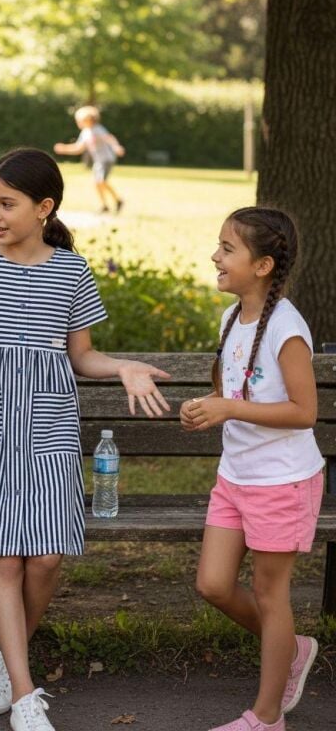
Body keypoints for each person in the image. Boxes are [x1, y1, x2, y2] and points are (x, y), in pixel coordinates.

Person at [0, 147, 170, 731]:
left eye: (6, 203)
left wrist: (123, 367)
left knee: (45, 556)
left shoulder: (71, 271)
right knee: (4, 555)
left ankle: (5, 659)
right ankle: (23, 693)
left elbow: (82, 355)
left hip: (47, 427)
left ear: (43, 207)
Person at [180, 207, 324, 731]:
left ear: (262, 265)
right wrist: (206, 407)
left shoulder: (286, 327)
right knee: (214, 585)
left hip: (282, 481)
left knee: (270, 594)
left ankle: (266, 718)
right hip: (235, 478)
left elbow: (304, 412)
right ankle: (291, 648)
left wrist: (229, 407)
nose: (214, 256)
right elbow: (233, 392)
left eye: (227, 249)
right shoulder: (231, 317)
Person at [53, 105, 125, 214]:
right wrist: (64, 149)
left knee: (100, 181)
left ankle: (117, 201)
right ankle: (108, 204)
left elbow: (109, 138)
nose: (78, 123)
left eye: (79, 120)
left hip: (106, 159)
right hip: (99, 160)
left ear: (88, 120)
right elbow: (78, 148)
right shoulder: (85, 133)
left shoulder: (97, 129)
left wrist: (116, 146)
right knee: (97, 183)